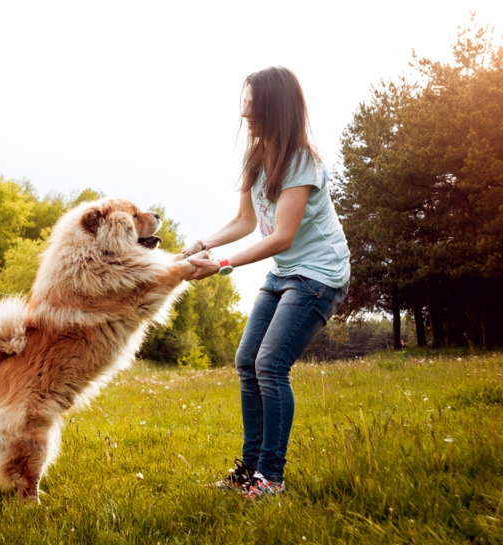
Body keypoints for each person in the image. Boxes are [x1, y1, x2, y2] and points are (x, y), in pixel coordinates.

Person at [182, 66, 350, 499]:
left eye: (252, 104)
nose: (244, 113)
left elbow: (281, 236)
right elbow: (244, 220)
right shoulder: (256, 157)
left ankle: (271, 478)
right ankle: (249, 470)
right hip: (284, 273)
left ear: (274, 107)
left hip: (319, 274)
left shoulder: (303, 161)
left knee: (270, 364)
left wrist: (219, 264)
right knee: (246, 360)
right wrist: (200, 243)